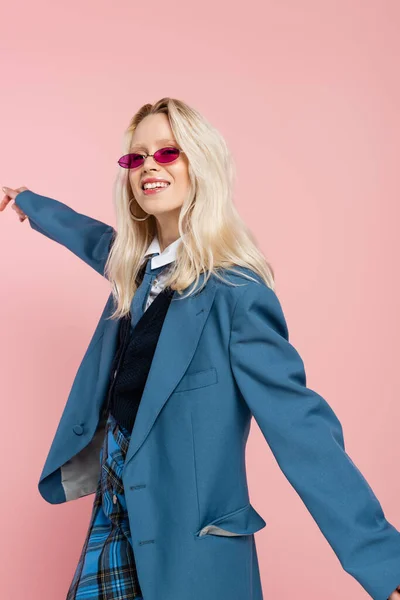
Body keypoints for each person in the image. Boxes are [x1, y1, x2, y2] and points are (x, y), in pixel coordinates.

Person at [2, 96, 400, 600]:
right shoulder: (132, 269)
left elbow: (303, 431)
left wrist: (385, 563)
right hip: (115, 525)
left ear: (201, 163)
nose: (149, 165)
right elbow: (92, 238)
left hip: (192, 554)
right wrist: (28, 203)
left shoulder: (237, 292)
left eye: (168, 152)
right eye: (136, 156)